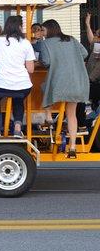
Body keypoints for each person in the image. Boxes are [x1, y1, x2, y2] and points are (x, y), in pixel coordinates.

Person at [40, 19, 89, 158]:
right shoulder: (71, 39)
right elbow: (85, 53)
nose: (42, 33)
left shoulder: (45, 43)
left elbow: (46, 62)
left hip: (59, 84)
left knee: (44, 87)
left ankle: (49, 117)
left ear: (49, 30)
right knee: (71, 114)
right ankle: (72, 146)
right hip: (76, 81)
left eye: (43, 30)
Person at [0, 15, 35, 139]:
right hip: (22, 86)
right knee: (18, 100)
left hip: (0, 86)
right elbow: (31, 69)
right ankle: (18, 129)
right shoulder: (26, 43)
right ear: (20, 27)